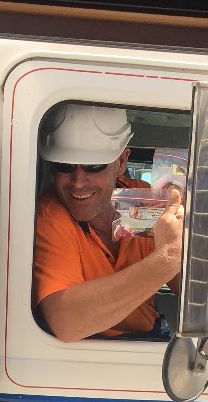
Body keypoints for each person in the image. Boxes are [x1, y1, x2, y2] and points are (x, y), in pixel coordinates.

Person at [32, 103, 184, 342]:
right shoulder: (50, 214)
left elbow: (193, 295)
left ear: (122, 162)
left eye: (94, 166)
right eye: (64, 167)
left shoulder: (144, 198)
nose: (78, 182)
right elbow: (66, 322)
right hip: (89, 349)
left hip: (148, 339)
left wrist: (194, 242)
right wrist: (168, 259)